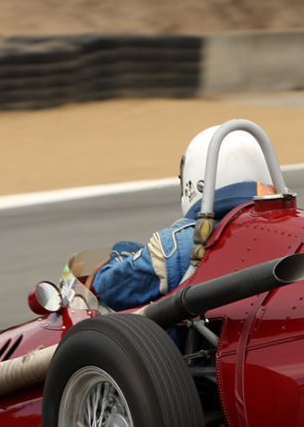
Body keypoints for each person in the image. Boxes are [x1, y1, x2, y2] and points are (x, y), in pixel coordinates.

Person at [90, 126, 275, 311]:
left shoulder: (178, 245)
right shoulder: (291, 228)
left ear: (196, 182)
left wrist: (120, 253)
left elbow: (109, 288)